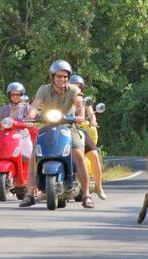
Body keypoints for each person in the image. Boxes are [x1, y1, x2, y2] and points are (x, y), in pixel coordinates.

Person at [19, 59, 95, 208]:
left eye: (65, 76)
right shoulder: (44, 89)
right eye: (59, 76)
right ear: (52, 77)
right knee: (34, 154)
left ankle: (86, 195)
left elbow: (79, 104)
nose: (62, 79)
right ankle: (29, 193)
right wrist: (30, 115)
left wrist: (80, 116)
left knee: (78, 154)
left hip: (69, 128)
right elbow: (35, 104)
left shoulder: (73, 89)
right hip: (48, 127)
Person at [0, 82, 34, 198]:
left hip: (22, 136)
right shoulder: (5, 109)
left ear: (21, 95)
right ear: (9, 95)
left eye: (18, 94)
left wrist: (29, 122)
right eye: (13, 94)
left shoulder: (26, 107)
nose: (15, 97)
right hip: (6, 136)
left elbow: (31, 117)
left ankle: (33, 186)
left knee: (29, 157)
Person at [69, 75, 106, 200]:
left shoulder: (84, 100)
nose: (76, 88)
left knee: (94, 155)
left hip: (81, 130)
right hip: (65, 130)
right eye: (73, 85)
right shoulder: (65, 99)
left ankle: (99, 187)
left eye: (78, 86)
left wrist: (93, 121)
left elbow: (91, 114)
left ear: (82, 88)